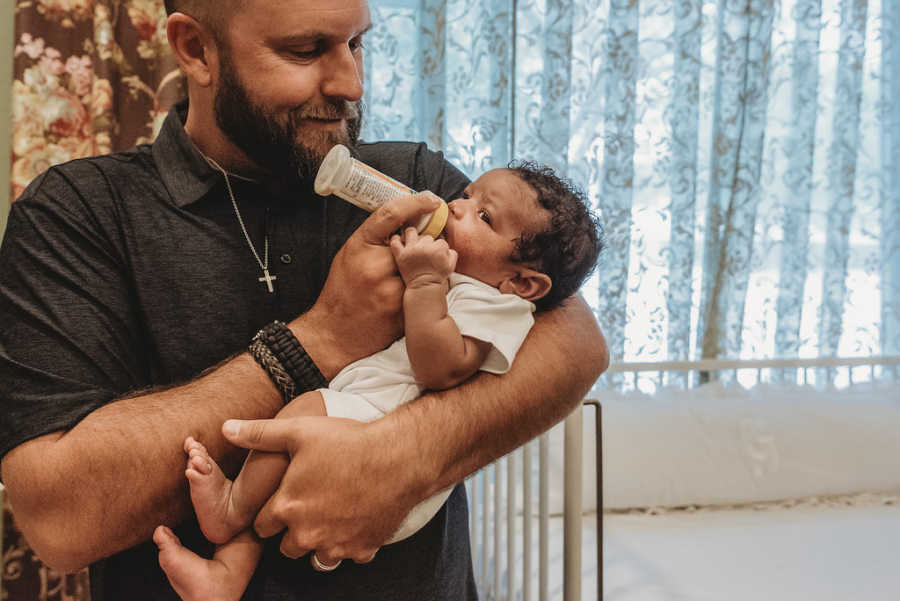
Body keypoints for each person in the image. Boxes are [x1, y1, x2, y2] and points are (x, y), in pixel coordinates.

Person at [0, 0, 609, 599]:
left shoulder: (412, 178)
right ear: (195, 49)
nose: (350, 82)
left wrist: (398, 461)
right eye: (305, 49)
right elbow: (58, 518)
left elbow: (576, 343)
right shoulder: (79, 213)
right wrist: (320, 340)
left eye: (357, 43)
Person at [152, 162, 604, 601]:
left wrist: (425, 282)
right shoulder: (461, 277)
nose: (458, 207)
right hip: (368, 410)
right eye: (467, 196)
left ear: (523, 284)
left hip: (382, 426)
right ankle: (226, 577)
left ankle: (230, 509)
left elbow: (441, 368)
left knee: (302, 415)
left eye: (484, 217)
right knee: (280, 491)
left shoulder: (496, 306)